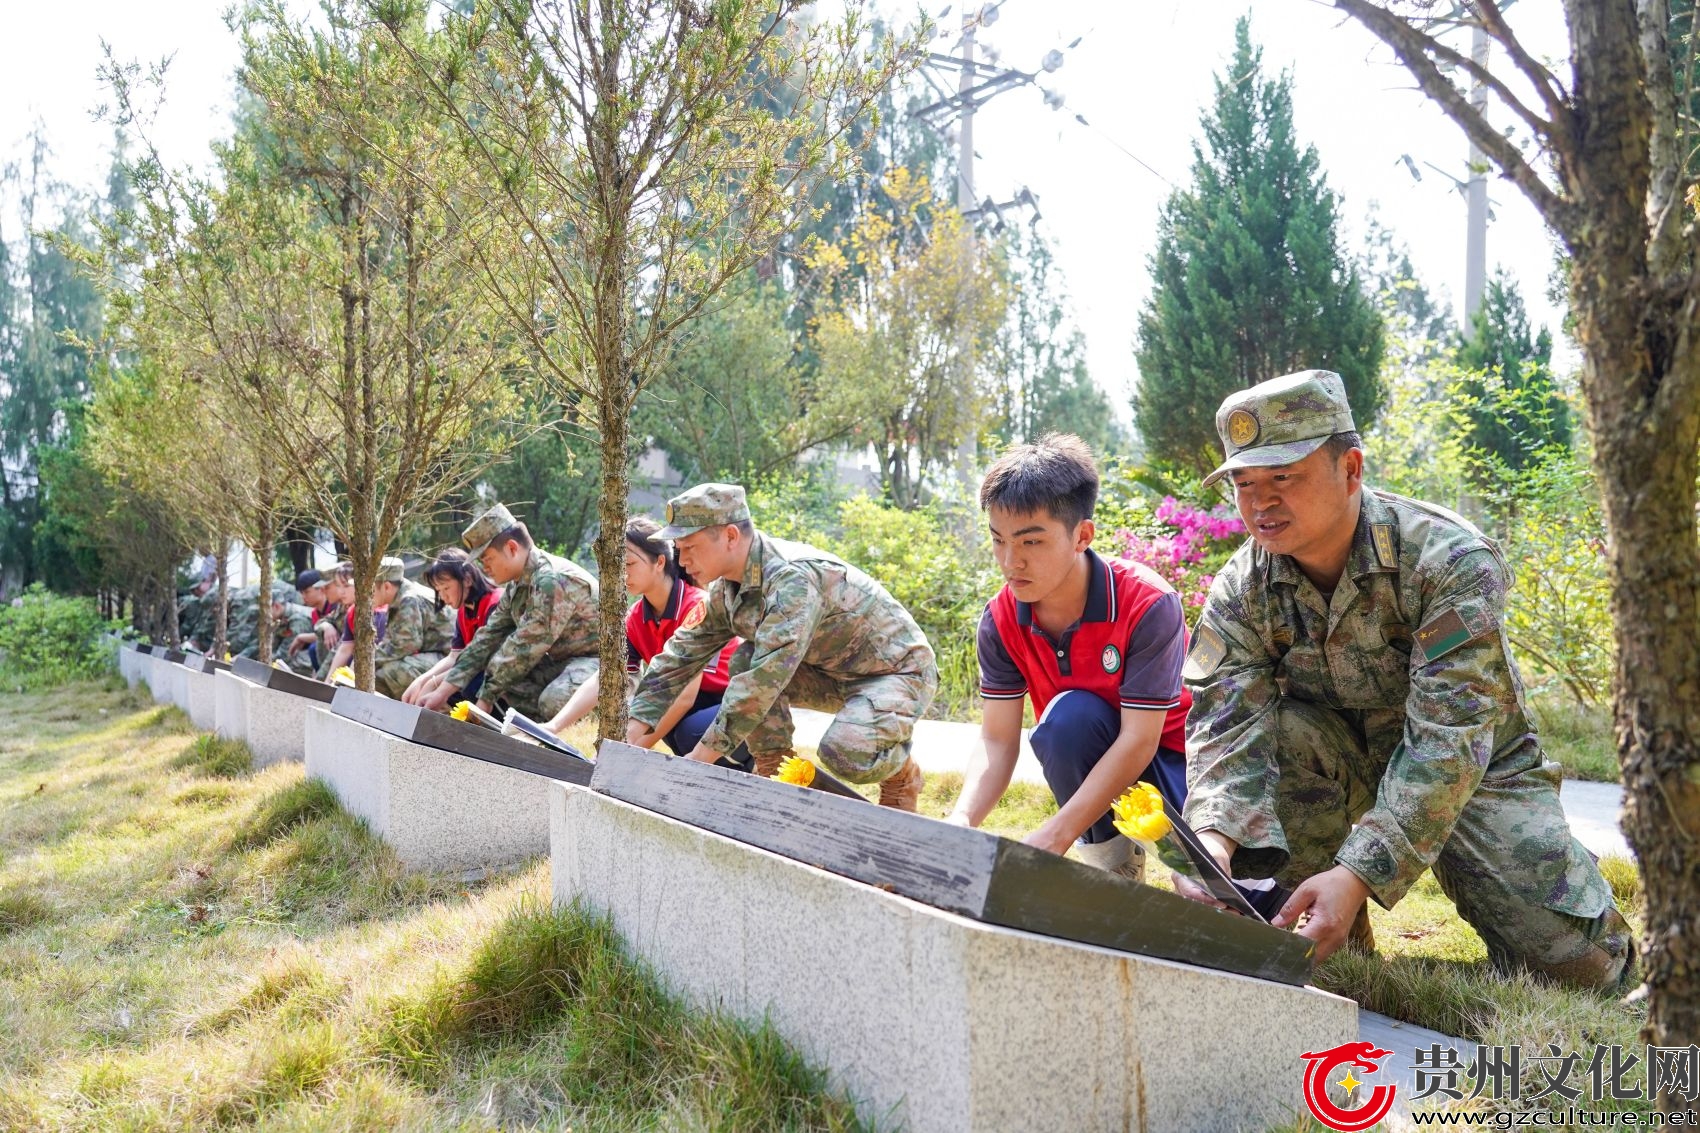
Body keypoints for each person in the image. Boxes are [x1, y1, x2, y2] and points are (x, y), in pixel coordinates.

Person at [1179, 368, 1633, 988]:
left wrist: (1360, 869)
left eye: (1283, 476)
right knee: (1277, 742)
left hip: (1473, 773)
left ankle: (1601, 943)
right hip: (1332, 762)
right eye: (1244, 482)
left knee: (1580, 973)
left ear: (1350, 468)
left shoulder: (1448, 561)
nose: (1261, 501)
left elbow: (1449, 742)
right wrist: (1210, 840)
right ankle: (1336, 938)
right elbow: (1227, 723)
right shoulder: (1242, 587)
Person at [945, 435, 1222, 889]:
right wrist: (962, 816)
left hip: (1175, 758)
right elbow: (997, 740)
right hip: (1089, 749)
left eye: (1031, 541)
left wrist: (1054, 835)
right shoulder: (999, 620)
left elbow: (1139, 741)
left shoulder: (1147, 603)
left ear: (1082, 536)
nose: (1011, 562)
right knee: (1066, 722)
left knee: (1221, 897)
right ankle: (1112, 869)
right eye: (999, 541)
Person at [626, 483, 935, 810]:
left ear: (731, 536)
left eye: (689, 546)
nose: (681, 559)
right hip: (829, 674)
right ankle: (774, 771)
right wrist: (631, 731)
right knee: (744, 658)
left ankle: (902, 775)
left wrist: (700, 758)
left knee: (844, 752)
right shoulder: (725, 590)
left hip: (896, 673)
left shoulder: (791, 578)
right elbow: (679, 657)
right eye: (678, 547)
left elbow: (762, 683)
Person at [544, 517, 744, 762]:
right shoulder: (636, 617)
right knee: (659, 718)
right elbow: (607, 677)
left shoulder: (697, 605)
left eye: (629, 563)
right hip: (691, 707)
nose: (622, 574)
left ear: (660, 562)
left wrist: (630, 752)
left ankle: (746, 767)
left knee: (686, 731)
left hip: (732, 702)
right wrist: (553, 727)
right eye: (616, 565)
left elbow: (684, 696)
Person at [418, 504, 600, 719]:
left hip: (598, 665)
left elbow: (524, 645)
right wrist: (442, 691)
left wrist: (484, 703)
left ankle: (595, 719)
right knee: (494, 681)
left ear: (512, 548)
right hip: (558, 664)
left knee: (554, 700)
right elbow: (487, 637)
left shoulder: (551, 580)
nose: (484, 568)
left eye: (487, 559)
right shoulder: (516, 585)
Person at [403, 549, 503, 706]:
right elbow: (454, 656)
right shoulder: (463, 612)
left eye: (446, 588)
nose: (443, 596)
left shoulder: (495, 604)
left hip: (500, 676)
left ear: (467, 579)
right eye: (439, 590)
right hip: (479, 671)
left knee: (467, 685)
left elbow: (484, 661)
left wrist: (434, 684)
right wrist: (422, 681)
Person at [370, 556, 454, 698]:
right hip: (435, 653)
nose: (368, 596)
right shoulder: (398, 597)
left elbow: (406, 644)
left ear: (386, 587)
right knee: (378, 672)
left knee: (393, 671)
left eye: (371, 590)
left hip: (449, 656)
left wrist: (370, 661)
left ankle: (433, 710)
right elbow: (392, 640)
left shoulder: (409, 599)